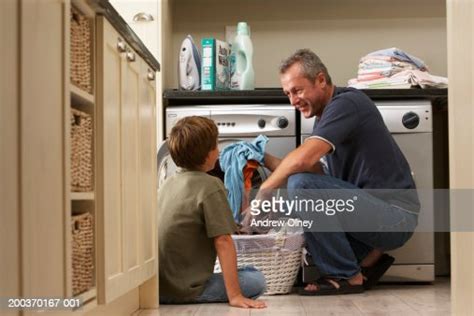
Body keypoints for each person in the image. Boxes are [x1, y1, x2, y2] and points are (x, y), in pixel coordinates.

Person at [256, 49, 419, 295]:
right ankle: (365, 264)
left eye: (298, 90)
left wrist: (264, 191)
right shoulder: (324, 118)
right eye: (288, 94)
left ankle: (346, 276)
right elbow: (318, 174)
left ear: (321, 80)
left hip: (395, 216)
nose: (292, 101)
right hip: (373, 214)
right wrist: (263, 158)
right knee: (301, 211)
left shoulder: (347, 103)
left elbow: (305, 163)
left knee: (300, 185)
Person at [158, 116, 267, 308]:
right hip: (188, 289)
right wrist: (235, 296)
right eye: (216, 146)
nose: (219, 151)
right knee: (256, 279)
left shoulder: (167, 184)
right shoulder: (211, 186)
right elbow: (223, 241)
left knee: (243, 272)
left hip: (159, 288)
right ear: (208, 155)